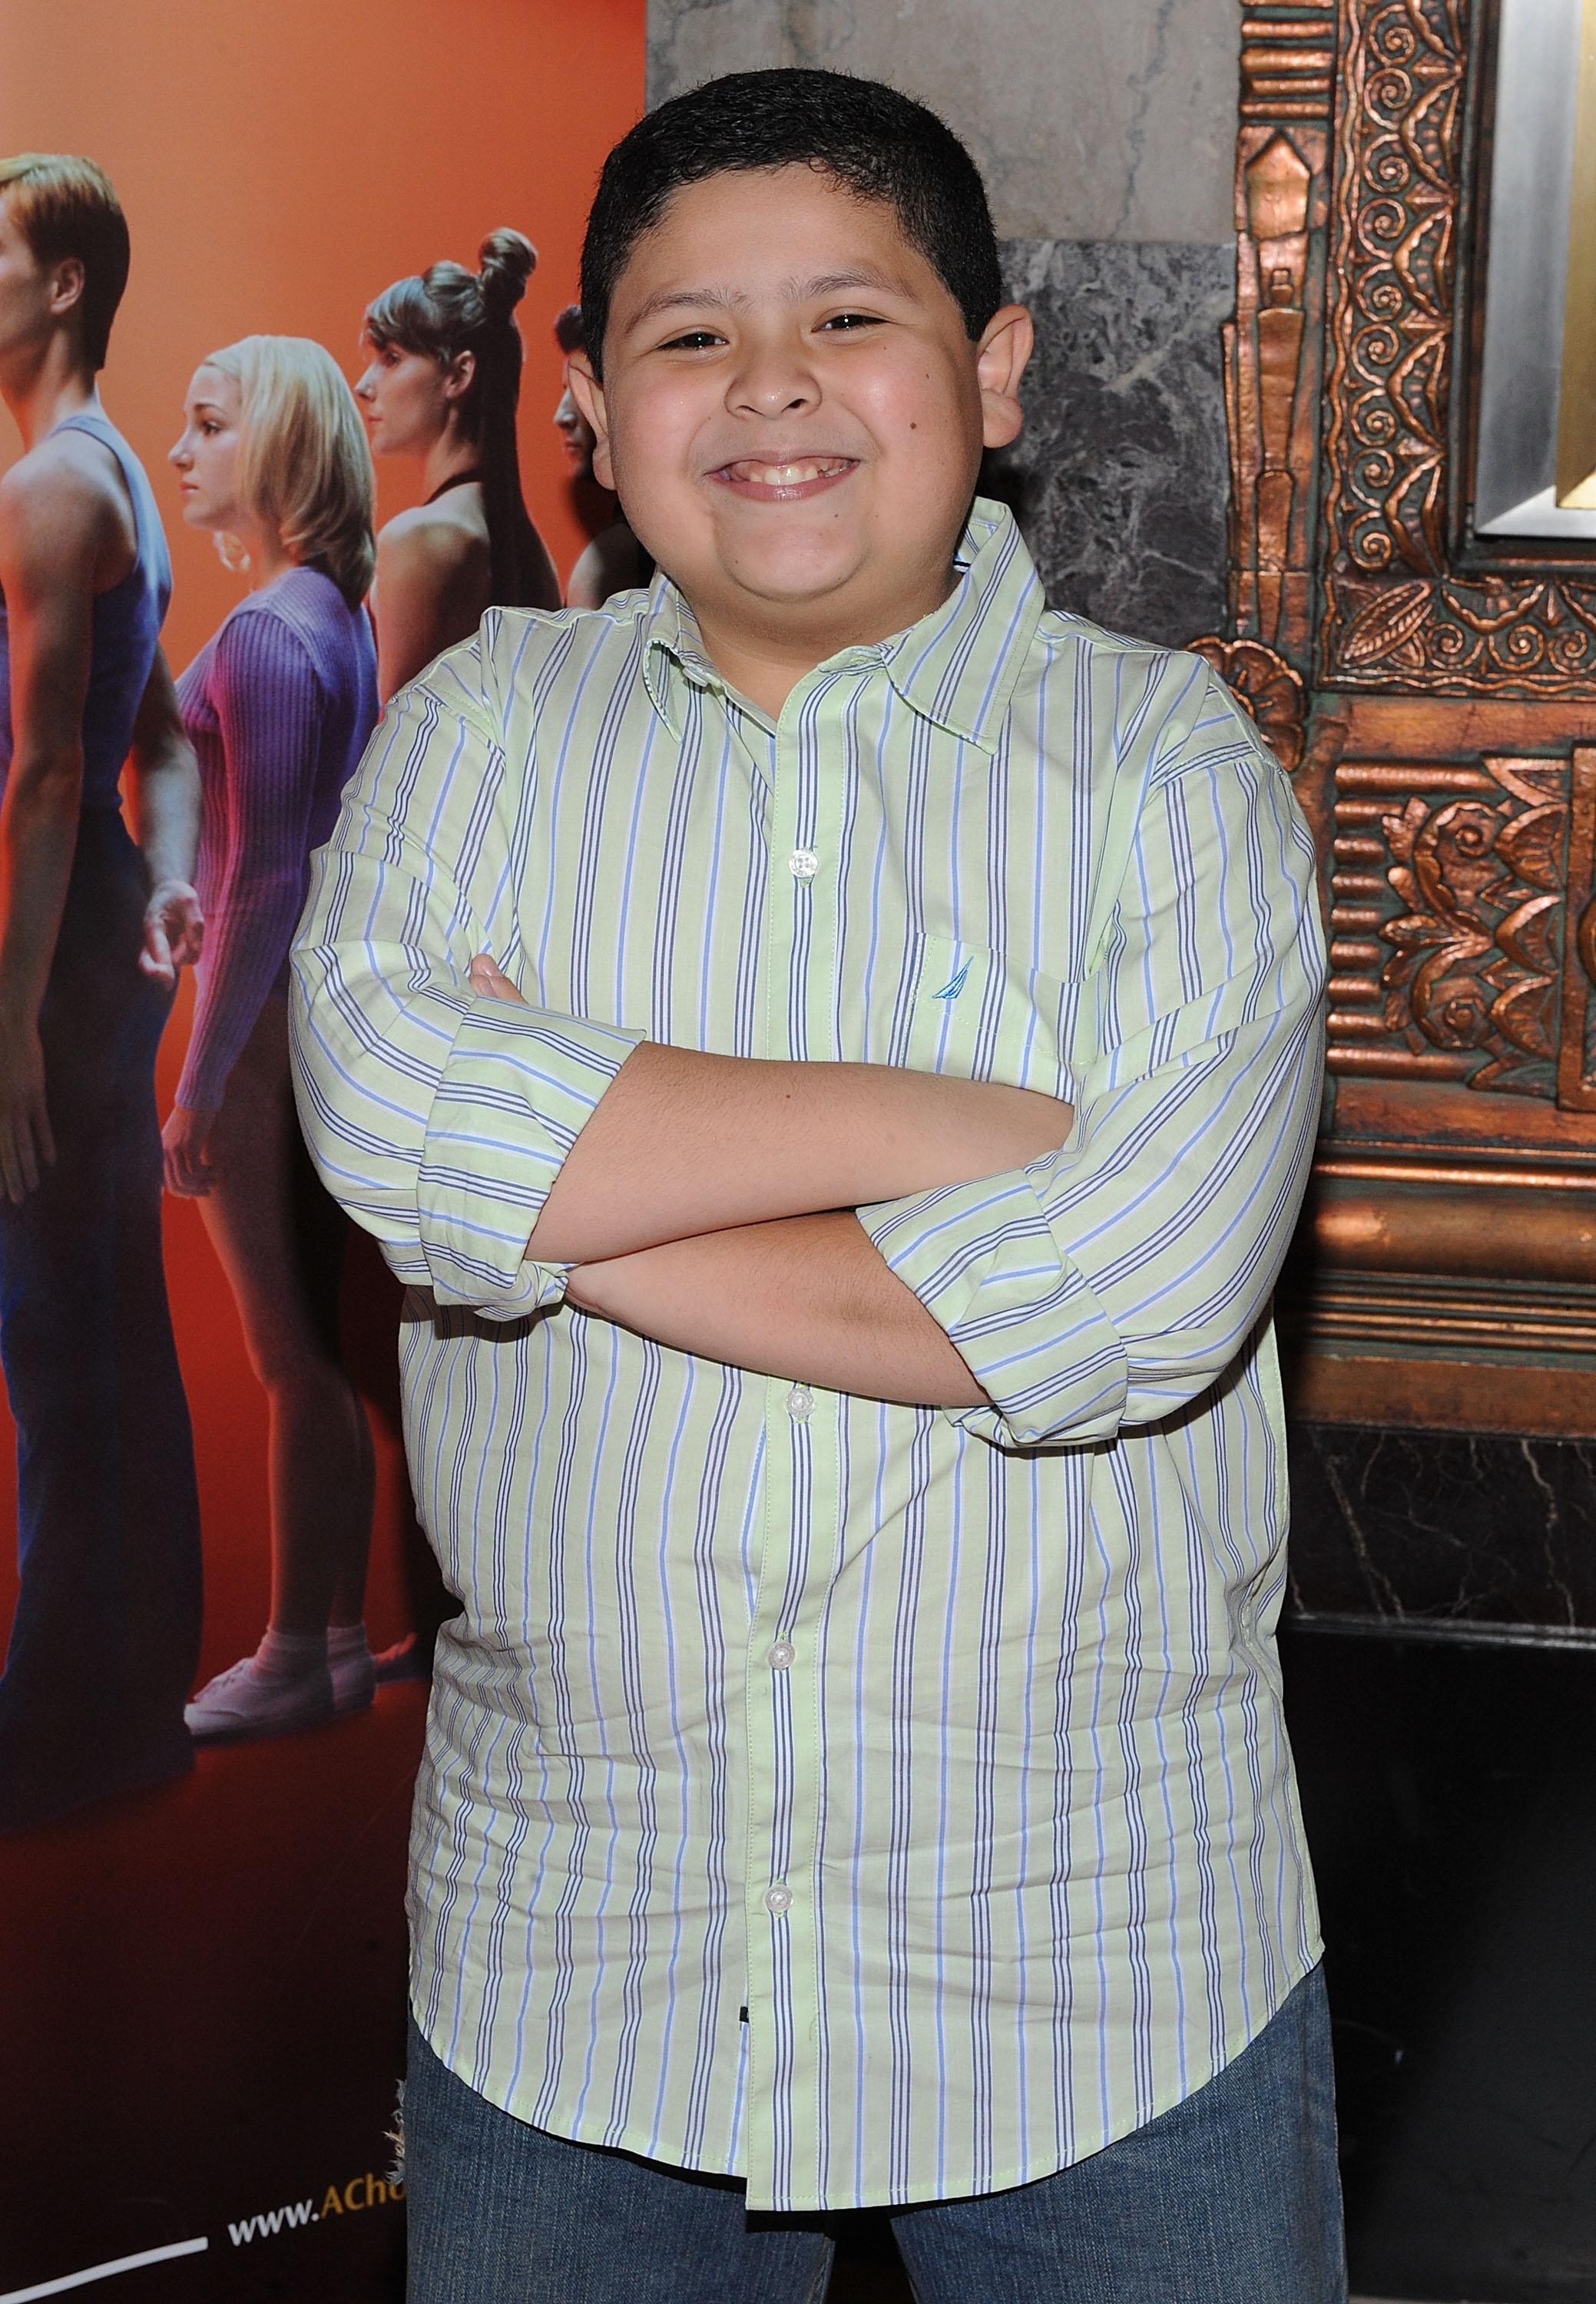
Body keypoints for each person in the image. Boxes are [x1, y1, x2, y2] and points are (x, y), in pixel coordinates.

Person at [292, 69, 1341, 2304]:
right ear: (580, 402)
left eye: (845, 319)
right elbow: (386, 1117)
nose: (766, 387)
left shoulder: (1165, 773)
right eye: (684, 337)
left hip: (1097, 1969)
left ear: (987, 367)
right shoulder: (473, 729)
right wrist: (955, 1122)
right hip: (582, 1966)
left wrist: (565, 1194)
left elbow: (1138, 1298)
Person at [0, 154, 204, 1831]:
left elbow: (53, 780)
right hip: (92, 938)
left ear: (63, 283)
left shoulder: (55, 491)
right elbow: (157, 748)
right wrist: (187, 872)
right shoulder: (102, 470)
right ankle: (125, 1708)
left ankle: (63, 1735)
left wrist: (8, 1023)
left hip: (50, 959)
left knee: (62, 1348)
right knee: (107, 1334)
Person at [166, 336, 380, 1743]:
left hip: (261, 1048)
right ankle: (338, 1638)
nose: (180, 451)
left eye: (207, 425)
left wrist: (191, 1089)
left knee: (292, 1356)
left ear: (278, 448)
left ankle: (299, 1648)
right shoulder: (333, 620)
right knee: (322, 1353)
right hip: (310, 1033)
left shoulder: (264, 636)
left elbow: (265, 881)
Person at [356, 232, 559, 703]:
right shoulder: (533, 554)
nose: (364, 385)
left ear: (459, 374)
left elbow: (399, 747)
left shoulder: (419, 540)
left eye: (391, 358)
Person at [551, 302, 651, 606]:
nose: (561, 416)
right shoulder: (610, 562)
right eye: (568, 390)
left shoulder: (615, 559)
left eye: (584, 390)